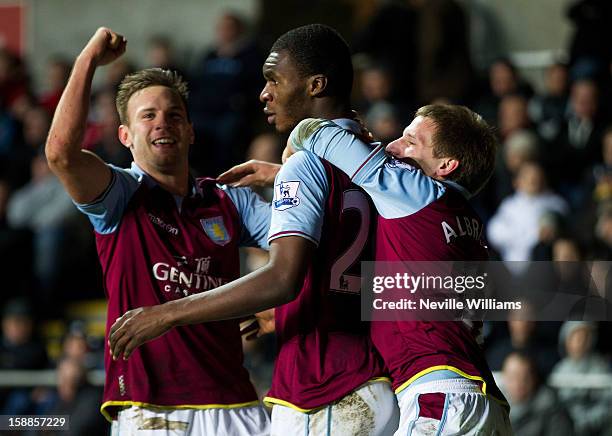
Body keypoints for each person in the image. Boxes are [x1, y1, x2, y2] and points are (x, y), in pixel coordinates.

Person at [109, 24, 398, 435]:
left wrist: (168, 314)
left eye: (274, 80)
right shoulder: (363, 166)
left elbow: (282, 278)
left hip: (327, 387)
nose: (264, 92)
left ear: (315, 85)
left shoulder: (309, 164)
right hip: (370, 373)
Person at [222, 103, 513, 434]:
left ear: (445, 165)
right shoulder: (463, 222)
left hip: (441, 398)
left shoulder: (420, 196)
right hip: (482, 400)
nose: (393, 147)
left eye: (410, 141)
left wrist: (293, 152)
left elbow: (320, 134)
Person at [45, 28, 271, 435]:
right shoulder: (119, 196)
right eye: (147, 115)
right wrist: (88, 61)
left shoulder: (226, 199)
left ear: (190, 131)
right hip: (150, 408)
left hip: (235, 403)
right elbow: (60, 153)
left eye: (174, 115)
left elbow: (303, 245)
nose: (162, 123)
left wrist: (283, 306)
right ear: (125, 136)